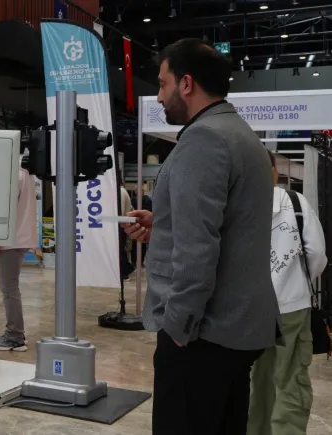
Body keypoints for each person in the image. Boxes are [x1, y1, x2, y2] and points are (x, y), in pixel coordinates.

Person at [122, 38, 281, 435]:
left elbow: (198, 249)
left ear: (187, 83)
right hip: (236, 328)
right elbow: (231, 225)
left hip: (202, 333)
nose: (159, 97)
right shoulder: (241, 134)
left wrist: (178, 326)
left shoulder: (204, 138)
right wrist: (164, 224)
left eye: (162, 84)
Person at [247, 152, 327, 435]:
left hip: (249, 309)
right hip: (292, 306)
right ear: (275, 172)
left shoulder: (233, 205)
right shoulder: (295, 203)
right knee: (291, 378)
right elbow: (316, 255)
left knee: (254, 379)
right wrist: (294, 281)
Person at [0, 163, 38, 352]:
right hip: (21, 237)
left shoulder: (12, 173)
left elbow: (6, 208)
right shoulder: (26, 172)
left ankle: (15, 336)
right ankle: (15, 334)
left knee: (9, 289)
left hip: (11, 240)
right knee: (10, 288)